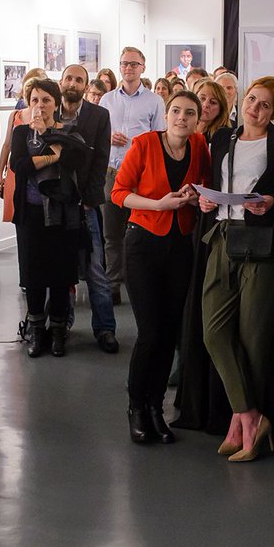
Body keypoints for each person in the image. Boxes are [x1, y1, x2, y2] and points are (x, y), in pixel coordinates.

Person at [198, 76, 274, 462]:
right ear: (242, 99)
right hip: (223, 236)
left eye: (266, 105)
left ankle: (241, 426)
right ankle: (249, 415)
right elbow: (213, 182)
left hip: (262, 244)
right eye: (252, 100)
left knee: (254, 340)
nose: (256, 109)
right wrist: (206, 203)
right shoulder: (223, 138)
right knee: (214, 333)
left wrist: (271, 201)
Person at [112, 90, 210, 444]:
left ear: (197, 119)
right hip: (143, 243)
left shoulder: (199, 146)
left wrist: (196, 199)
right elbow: (119, 193)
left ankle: (156, 408)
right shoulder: (144, 144)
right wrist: (159, 204)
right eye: (175, 112)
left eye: (189, 113)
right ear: (165, 115)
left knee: (170, 333)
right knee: (150, 332)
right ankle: (136, 407)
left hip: (180, 245)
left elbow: (205, 189)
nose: (182, 118)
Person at [9, 79, 90, 358]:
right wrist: (52, 156)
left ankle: (57, 331)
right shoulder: (21, 133)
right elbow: (17, 166)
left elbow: (75, 160)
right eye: (34, 100)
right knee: (33, 275)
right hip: (30, 213)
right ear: (27, 104)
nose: (40, 106)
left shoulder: (71, 134)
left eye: (46, 100)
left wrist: (47, 138)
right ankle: (35, 329)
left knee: (59, 274)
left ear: (56, 103)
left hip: (63, 214)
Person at [58, 65, 117, 353]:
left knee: (95, 269)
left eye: (78, 80)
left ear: (85, 86)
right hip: (56, 205)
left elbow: (101, 158)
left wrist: (90, 198)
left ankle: (105, 328)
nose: (73, 83)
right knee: (62, 268)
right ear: (61, 81)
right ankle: (62, 322)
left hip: (85, 203)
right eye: (69, 78)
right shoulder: (49, 112)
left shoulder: (99, 115)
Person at [100, 48, 165, 308]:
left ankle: (139, 280)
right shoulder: (107, 99)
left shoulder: (154, 101)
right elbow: (98, 134)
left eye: (133, 64)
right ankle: (113, 284)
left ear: (143, 67)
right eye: (124, 64)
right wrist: (109, 136)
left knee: (139, 232)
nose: (128, 68)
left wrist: (141, 144)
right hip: (111, 173)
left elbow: (160, 137)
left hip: (139, 176)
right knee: (112, 233)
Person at [0, 67, 47, 223]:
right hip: (15, 169)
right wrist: (0, 175)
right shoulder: (16, 115)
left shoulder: (49, 116)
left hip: (38, 169)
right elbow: (7, 145)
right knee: (18, 215)